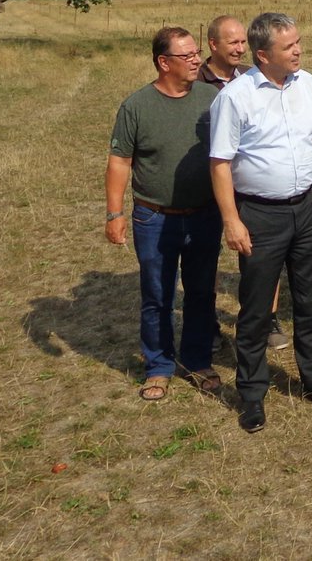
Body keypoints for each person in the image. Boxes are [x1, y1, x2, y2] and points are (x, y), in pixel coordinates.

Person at [209, 12, 312, 433]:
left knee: (309, 301)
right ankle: (252, 394)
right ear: (262, 54)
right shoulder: (235, 97)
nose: (298, 50)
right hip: (259, 214)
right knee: (256, 309)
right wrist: (232, 220)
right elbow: (219, 163)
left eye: (298, 42)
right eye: (289, 46)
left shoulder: (306, 83)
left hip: (307, 208)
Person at [105, 27, 222, 401]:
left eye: (196, 53)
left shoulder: (212, 97)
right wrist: (114, 213)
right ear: (163, 62)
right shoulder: (136, 106)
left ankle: (197, 361)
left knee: (202, 292)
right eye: (186, 56)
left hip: (205, 214)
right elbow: (120, 161)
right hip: (154, 218)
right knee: (157, 295)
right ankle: (158, 366)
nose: (195, 60)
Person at [197, 15, 289, 352]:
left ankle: (268, 317)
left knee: (263, 256)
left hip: (250, 190)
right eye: (232, 43)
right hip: (211, 187)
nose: (240, 48)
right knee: (206, 257)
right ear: (213, 45)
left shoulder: (252, 79)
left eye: (242, 43)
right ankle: (205, 320)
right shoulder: (195, 82)